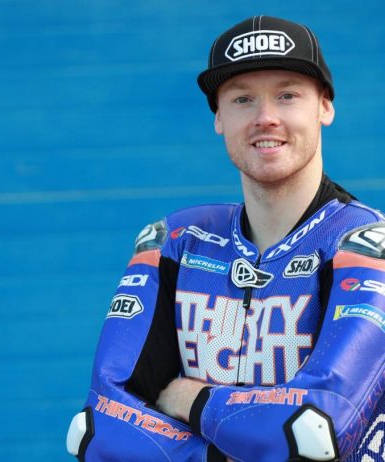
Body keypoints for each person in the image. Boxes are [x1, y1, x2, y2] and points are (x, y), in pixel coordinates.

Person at [66, 16, 385, 462]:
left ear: (324, 108)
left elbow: (315, 428)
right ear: (219, 118)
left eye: (287, 95)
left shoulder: (365, 245)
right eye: (242, 99)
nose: (265, 118)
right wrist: (222, 453)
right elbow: (97, 426)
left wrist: (190, 399)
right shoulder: (178, 242)